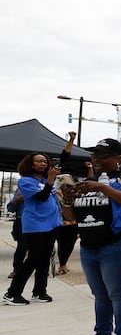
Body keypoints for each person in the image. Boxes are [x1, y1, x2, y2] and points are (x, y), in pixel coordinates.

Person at [66, 138, 121, 335]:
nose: (97, 160)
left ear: (119, 159)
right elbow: (71, 218)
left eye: (103, 156)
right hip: (89, 247)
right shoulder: (87, 182)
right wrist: (69, 200)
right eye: (95, 156)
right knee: (99, 294)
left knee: (117, 293)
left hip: (117, 244)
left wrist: (102, 187)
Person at [2, 152, 62, 305]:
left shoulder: (45, 179)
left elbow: (64, 158)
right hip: (35, 224)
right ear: (31, 164)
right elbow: (41, 197)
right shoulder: (25, 181)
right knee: (34, 258)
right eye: (39, 161)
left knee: (44, 258)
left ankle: (39, 292)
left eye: (45, 161)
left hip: (51, 223)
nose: (43, 163)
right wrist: (50, 180)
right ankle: (12, 293)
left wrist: (71, 141)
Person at [55, 131, 79, 275]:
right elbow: (64, 155)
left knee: (69, 241)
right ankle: (50, 265)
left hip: (71, 216)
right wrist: (71, 140)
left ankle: (63, 264)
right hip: (56, 215)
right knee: (57, 241)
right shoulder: (57, 174)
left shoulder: (78, 180)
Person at [6, 188, 25, 279]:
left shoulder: (41, 190)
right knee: (22, 247)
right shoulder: (20, 193)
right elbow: (10, 209)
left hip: (37, 221)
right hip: (21, 221)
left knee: (38, 247)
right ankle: (17, 270)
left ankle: (40, 270)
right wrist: (16, 201)